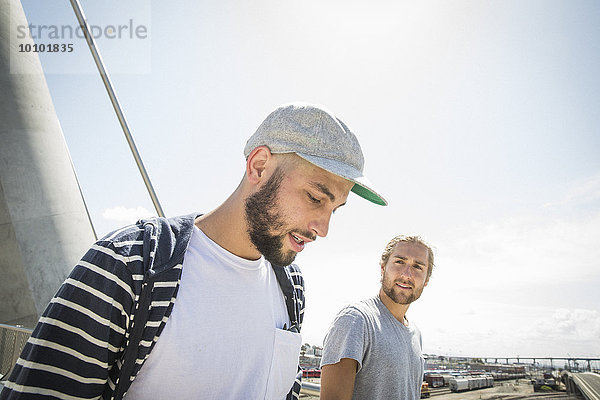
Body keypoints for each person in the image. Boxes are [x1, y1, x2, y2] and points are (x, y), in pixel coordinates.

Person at [0, 103, 387, 400]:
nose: (323, 228)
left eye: (334, 209)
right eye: (315, 197)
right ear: (259, 166)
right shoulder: (131, 265)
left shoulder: (292, 286)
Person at [320, 235, 434, 400]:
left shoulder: (415, 334)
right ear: (383, 268)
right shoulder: (356, 320)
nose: (407, 274)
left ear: (426, 280)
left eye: (417, 266)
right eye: (399, 262)